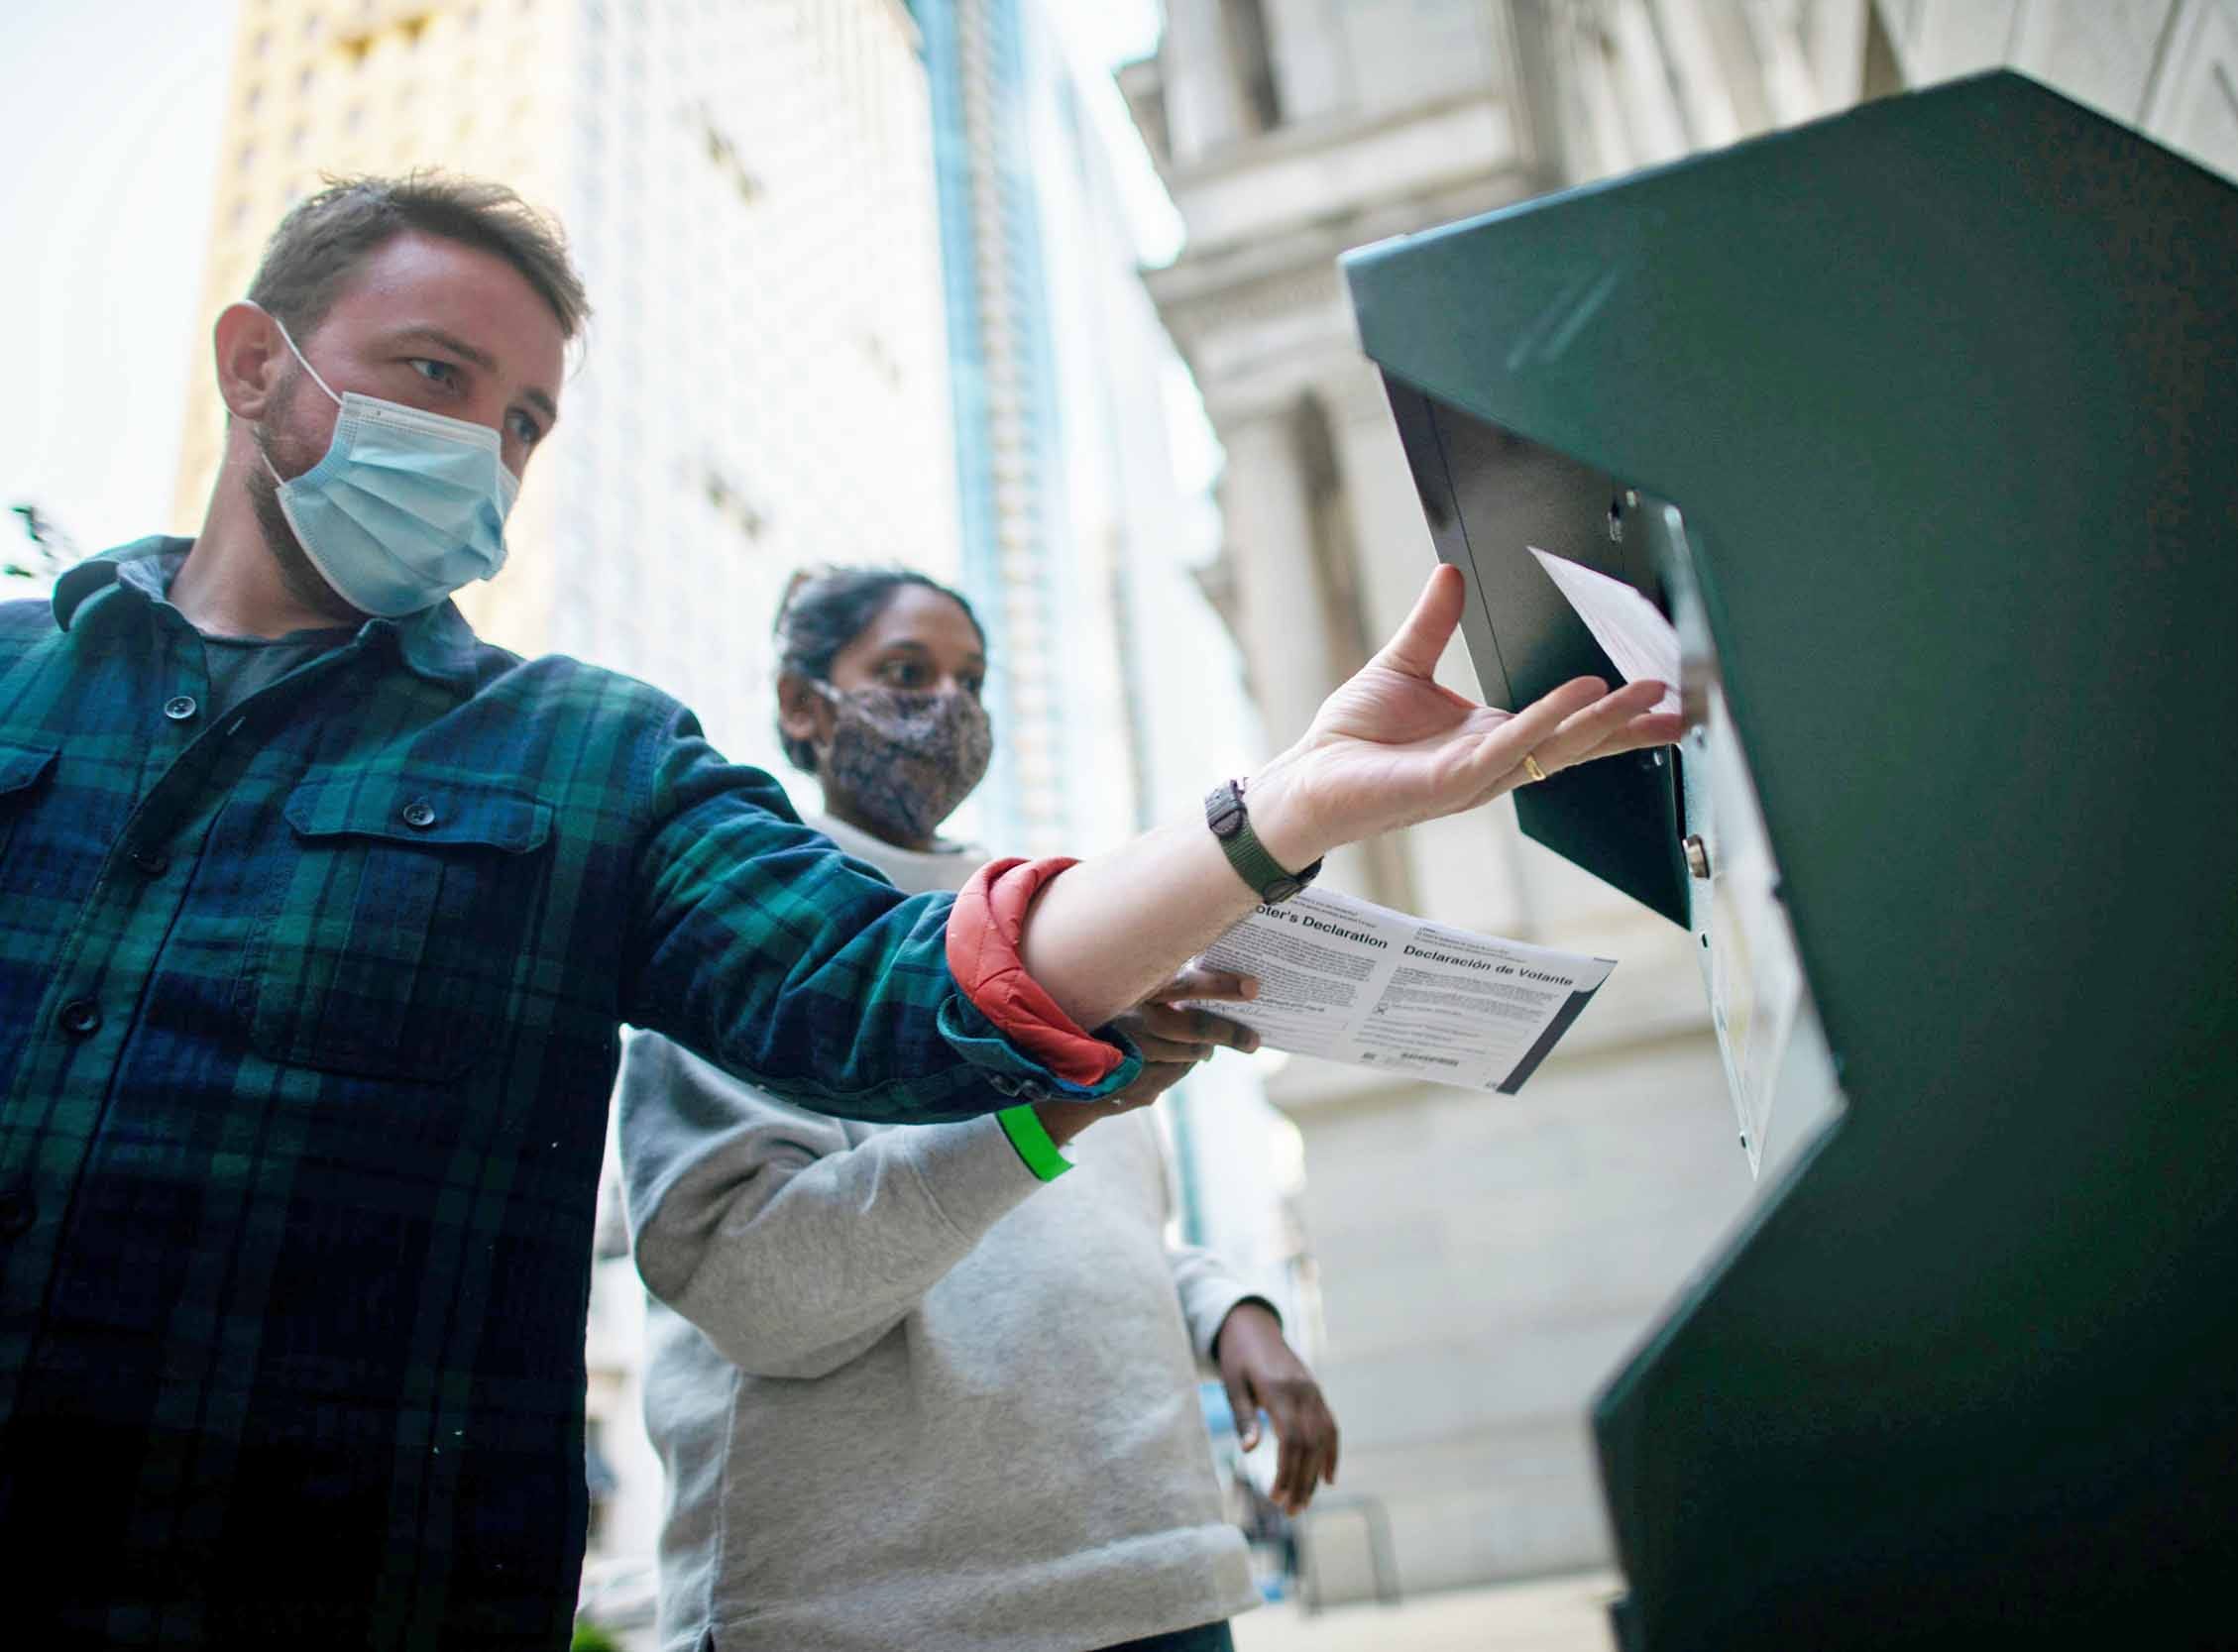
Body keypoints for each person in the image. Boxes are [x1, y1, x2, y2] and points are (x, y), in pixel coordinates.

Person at [0, 172, 1678, 1646]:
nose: (483, 449)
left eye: (523, 421)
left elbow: (880, 990)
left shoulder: (591, 756)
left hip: (343, 1587)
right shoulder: (19, 680)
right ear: (253, 364)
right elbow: (773, 1271)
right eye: (437, 376)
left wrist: (1284, 809)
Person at [616, 565, 1338, 1652]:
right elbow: (760, 1290)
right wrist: (1056, 1104)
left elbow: (1083, 1222)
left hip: (1158, 1580)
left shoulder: (1064, 921)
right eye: (905, 672)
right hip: (874, 1612)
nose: (947, 706)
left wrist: (1232, 1310)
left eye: (972, 678)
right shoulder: (735, 938)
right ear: (801, 703)